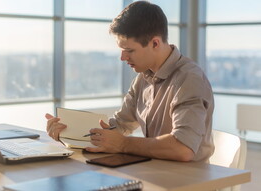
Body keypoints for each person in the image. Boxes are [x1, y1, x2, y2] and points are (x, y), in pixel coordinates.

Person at [45, 1, 214, 162]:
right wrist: (68, 132)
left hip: (190, 180)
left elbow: (182, 148)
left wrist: (123, 144)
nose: (122, 57)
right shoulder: (143, 78)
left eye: (129, 50)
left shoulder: (189, 79)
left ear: (155, 43)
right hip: (153, 171)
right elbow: (118, 126)